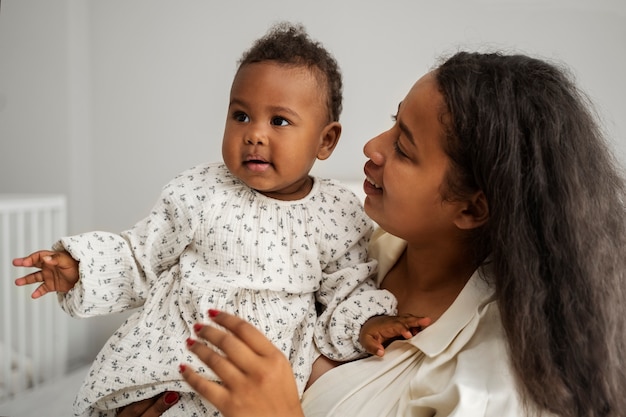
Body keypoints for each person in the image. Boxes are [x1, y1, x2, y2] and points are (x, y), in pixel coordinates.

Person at [163, 51, 625, 417]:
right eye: (393, 120)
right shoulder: (346, 236)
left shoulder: (490, 385)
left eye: (403, 148)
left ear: (472, 207)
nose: (371, 147)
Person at [13, 23, 424, 417]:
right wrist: (82, 267)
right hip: (177, 353)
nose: (254, 134)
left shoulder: (337, 210)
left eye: (278, 121)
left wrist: (369, 321)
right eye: (241, 115)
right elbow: (142, 256)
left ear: (325, 140)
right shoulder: (200, 189)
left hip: (263, 377)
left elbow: (347, 285)